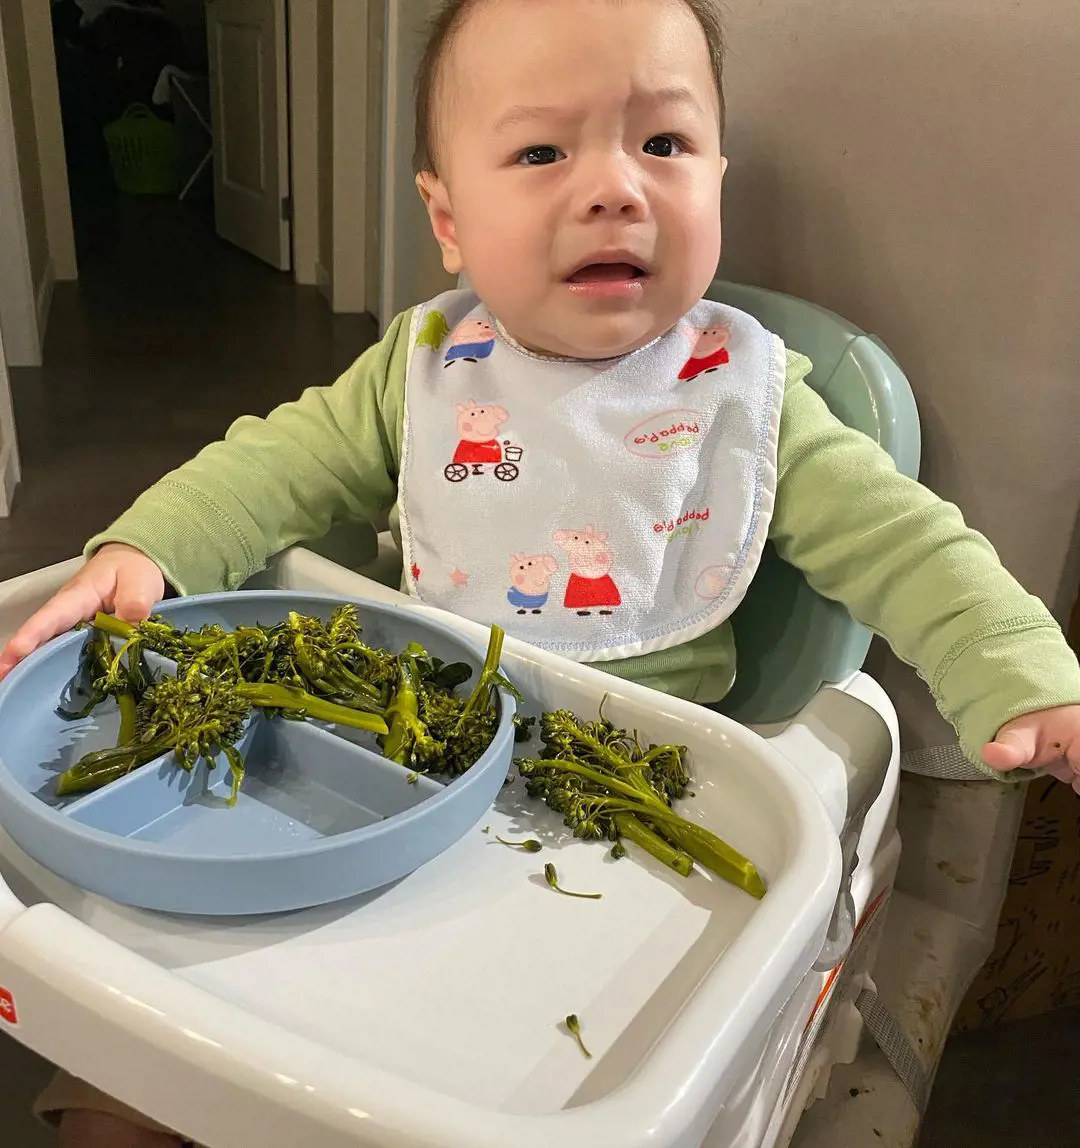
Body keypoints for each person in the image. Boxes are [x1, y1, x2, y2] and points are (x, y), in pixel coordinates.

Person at [4, 0, 1079, 1142]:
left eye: (662, 145)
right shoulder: (421, 373)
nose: (616, 186)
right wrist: (145, 548)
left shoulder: (743, 399)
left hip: (620, 824)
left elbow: (908, 543)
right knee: (158, 1058)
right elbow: (269, 467)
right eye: (541, 151)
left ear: (718, 174)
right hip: (402, 771)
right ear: (449, 217)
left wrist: (1021, 671)